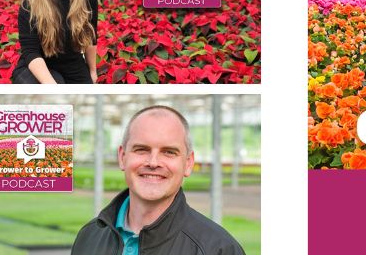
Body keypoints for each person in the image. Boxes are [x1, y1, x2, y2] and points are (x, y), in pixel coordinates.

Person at [72, 106, 245, 254]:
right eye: (141, 149)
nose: (153, 163)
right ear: (122, 157)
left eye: (169, 152)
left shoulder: (219, 249)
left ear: (188, 163)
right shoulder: (89, 235)